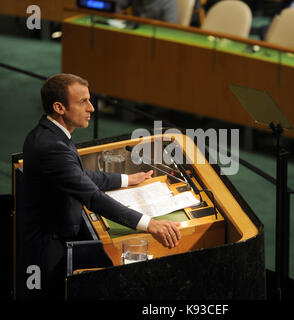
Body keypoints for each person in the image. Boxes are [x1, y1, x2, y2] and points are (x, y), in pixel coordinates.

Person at [20, 73, 181, 299]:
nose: (92, 108)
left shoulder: (51, 134)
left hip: (58, 234)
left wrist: (127, 179)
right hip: (45, 249)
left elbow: (79, 175)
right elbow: (93, 198)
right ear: (59, 107)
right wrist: (150, 224)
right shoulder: (51, 146)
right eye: (82, 101)